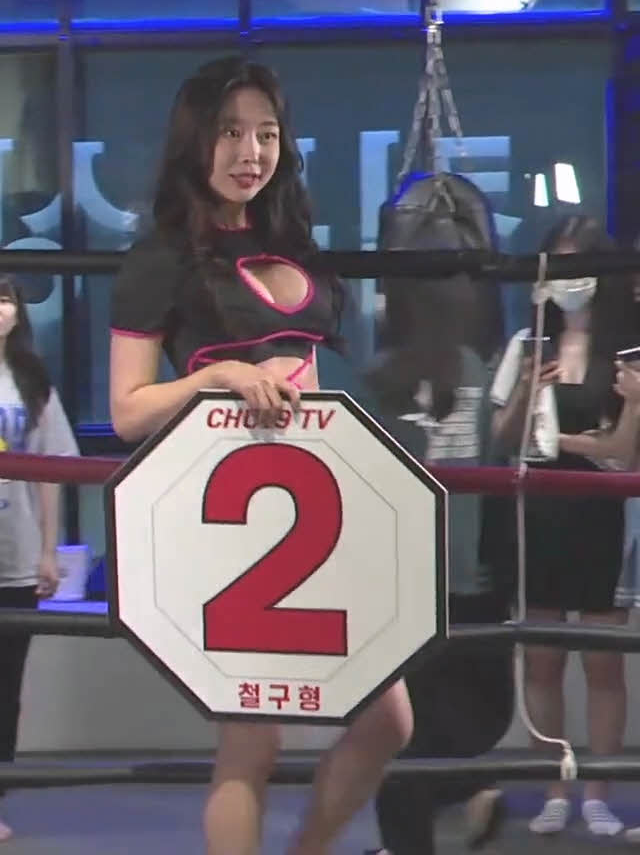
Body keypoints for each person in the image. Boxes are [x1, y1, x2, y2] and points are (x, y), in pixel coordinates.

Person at [109, 56, 413, 855]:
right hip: (234, 514)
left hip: (320, 506)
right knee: (252, 741)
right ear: (195, 140)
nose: (250, 152)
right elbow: (127, 410)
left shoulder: (292, 240)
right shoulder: (163, 255)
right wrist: (217, 377)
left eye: (267, 134)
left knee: (389, 720)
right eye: (231, 133)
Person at [491, 215, 638, 839]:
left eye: (581, 266)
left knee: (604, 666)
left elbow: (625, 452)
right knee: (543, 662)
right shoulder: (527, 342)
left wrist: (565, 440)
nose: (570, 281)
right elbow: (505, 439)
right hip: (539, 515)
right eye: (560, 265)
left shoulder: (628, 349)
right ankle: (554, 788)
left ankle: (599, 793)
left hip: (603, 516)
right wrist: (528, 391)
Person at [367, 272, 514, 854]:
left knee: (450, 717)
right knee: (409, 724)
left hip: (454, 568)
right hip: (420, 570)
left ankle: (460, 794)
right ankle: (442, 809)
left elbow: (488, 454)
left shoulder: (468, 368)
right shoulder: (385, 378)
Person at [0, 276, 78, 842]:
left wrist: (50, 551)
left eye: (6, 298)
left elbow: (55, 470)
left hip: (15, 554)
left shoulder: (31, 381)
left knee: (5, 688)